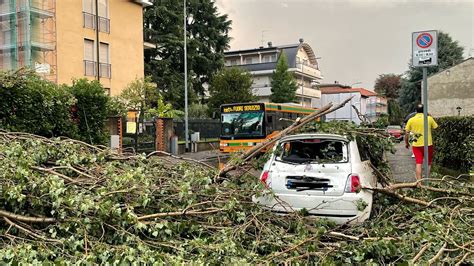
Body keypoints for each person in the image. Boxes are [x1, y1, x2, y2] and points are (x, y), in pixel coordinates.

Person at [404, 104, 438, 181]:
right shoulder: (429, 118)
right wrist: (429, 116)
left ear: (416, 111)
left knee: (418, 163)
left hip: (416, 145)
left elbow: (407, 133)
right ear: (424, 110)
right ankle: (427, 181)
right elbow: (435, 127)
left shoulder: (411, 120)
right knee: (428, 163)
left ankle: (419, 183)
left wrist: (407, 143)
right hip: (428, 144)